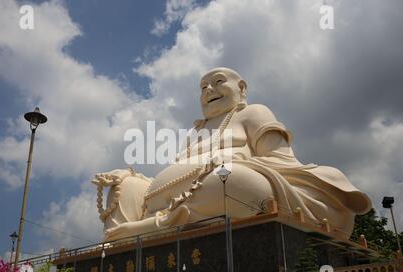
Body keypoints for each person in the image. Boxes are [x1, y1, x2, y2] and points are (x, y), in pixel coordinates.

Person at [93, 67, 371, 241]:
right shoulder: (195, 132)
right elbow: (176, 173)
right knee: (127, 184)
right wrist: (132, 176)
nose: (208, 90)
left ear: (242, 88)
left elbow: (281, 160)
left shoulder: (253, 112)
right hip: (181, 199)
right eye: (203, 88)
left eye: (217, 82)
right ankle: (126, 239)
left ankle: (148, 228)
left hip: (225, 189)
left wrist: (238, 159)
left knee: (232, 179)